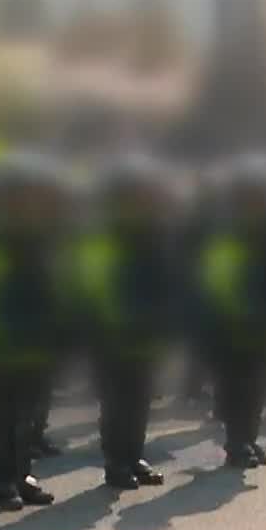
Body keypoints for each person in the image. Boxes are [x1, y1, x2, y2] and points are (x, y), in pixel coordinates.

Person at [0, 153, 66, 512]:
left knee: (28, 414)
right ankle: (2, 481)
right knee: (2, 413)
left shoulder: (42, 236)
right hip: (1, 341)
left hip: (37, 338)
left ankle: (23, 475)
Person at [77, 153, 179, 490]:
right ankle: (116, 462)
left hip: (147, 332)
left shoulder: (153, 234)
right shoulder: (105, 235)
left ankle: (133, 455)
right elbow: (95, 284)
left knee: (139, 399)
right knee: (118, 401)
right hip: (114, 334)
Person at [198, 153, 266, 468]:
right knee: (238, 387)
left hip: (262, 325)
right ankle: (237, 443)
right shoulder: (230, 232)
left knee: (257, 387)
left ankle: (249, 439)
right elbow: (220, 279)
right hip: (234, 327)